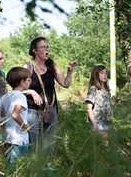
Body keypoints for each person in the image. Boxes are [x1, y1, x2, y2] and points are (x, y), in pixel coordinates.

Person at [23, 36, 77, 166]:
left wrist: (69, 72)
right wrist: (31, 91)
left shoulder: (52, 66)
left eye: (47, 47)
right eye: (43, 47)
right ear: (35, 51)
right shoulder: (28, 67)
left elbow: (65, 84)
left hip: (50, 111)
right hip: (32, 112)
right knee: (33, 144)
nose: (47, 50)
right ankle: (32, 170)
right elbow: (18, 90)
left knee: (49, 145)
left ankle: (48, 170)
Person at [0, 67, 32, 163]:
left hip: (8, 137)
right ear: (22, 82)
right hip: (19, 139)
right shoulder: (21, 96)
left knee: (9, 165)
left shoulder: (6, 96)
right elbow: (15, 114)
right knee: (20, 165)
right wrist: (25, 126)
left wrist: (0, 122)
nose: (30, 82)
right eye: (29, 80)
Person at [85, 65, 113, 138]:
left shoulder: (107, 91)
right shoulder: (94, 89)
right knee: (104, 143)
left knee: (106, 143)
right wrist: (94, 124)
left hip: (106, 121)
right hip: (97, 121)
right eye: (102, 73)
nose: (105, 75)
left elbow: (109, 107)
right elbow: (89, 108)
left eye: (106, 73)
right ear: (96, 75)